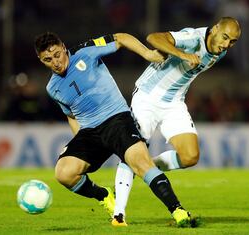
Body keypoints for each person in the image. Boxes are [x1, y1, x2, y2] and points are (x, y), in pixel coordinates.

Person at [34, 32, 192, 227]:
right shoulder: (53, 87)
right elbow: (71, 114)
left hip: (116, 119)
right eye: (48, 60)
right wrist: (80, 139)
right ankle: (104, 195)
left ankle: (177, 209)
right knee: (63, 173)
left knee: (141, 164)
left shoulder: (85, 52)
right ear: (41, 61)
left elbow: (120, 38)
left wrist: (148, 54)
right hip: (90, 132)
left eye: (57, 54)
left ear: (64, 47)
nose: (55, 62)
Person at [113, 17, 241, 225]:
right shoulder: (193, 39)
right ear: (215, 28)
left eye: (233, 41)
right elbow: (153, 37)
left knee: (190, 156)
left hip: (174, 103)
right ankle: (118, 214)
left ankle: (146, 167)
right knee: (133, 151)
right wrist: (182, 53)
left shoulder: (220, 51)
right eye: (225, 37)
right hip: (147, 97)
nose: (227, 44)